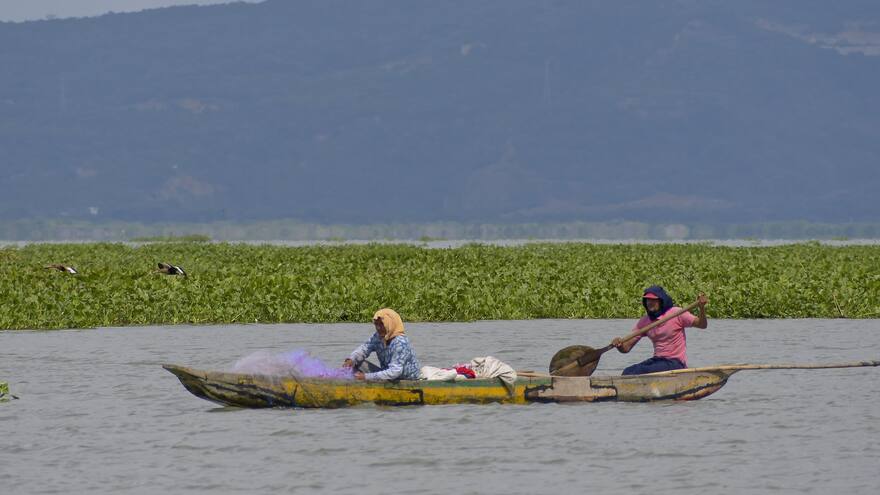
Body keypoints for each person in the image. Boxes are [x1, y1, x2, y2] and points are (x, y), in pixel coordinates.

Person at [612, 286, 708, 375]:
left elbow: (702, 325)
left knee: (641, 371)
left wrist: (702, 308)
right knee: (628, 372)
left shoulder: (676, 313)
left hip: (675, 362)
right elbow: (626, 348)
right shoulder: (645, 321)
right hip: (657, 360)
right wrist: (619, 345)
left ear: (661, 301)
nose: (649, 302)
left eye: (653, 300)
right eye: (647, 300)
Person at [342, 308, 421, 381]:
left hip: (406, 379)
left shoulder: (400, 343)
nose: (378, 328)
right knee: (358, 363)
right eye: (376, 324)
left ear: (390, 324)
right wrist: (351, 359)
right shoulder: (378, 336)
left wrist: (366, 376)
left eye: (382, 324)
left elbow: (395, 372)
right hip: (387, 375)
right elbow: (364, 349)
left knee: (364, 373)